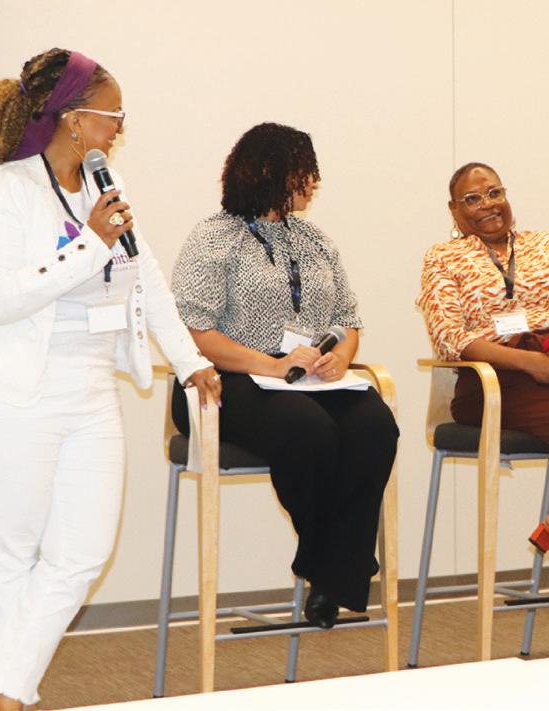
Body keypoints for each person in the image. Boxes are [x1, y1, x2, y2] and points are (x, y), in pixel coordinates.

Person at [0, 48, 220, 711]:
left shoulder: (103, 186)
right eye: (112, 114)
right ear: (72, 118)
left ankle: (5, 689)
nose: (120, 126)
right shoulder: (3, 189)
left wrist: (189, 361)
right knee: (8, 560)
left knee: (82, 553)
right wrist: (89, 244)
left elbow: (147, 277)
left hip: (88, 388)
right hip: (1, 391)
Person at [170, 122, 398, 630]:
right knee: (306, 429)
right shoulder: (215, 237)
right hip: (229, 378)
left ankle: (327, 568)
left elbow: (347, 318)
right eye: (304, 171)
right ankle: (337, 565)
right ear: (267, 172)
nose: (313, 182)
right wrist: (269, 363)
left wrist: (342, 355)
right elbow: (193, 332)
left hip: (310, 378)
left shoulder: (315, 240)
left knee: (375, 426)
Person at [417, 162, 549, 653]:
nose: (487, 205)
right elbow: (450, 338)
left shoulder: (548, 245)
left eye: (494, 192)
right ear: (454, 210)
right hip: (495, 379)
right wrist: (529, 363)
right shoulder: (444, 257)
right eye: (473, 199)